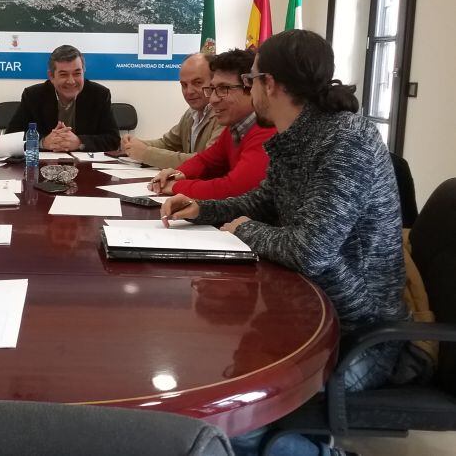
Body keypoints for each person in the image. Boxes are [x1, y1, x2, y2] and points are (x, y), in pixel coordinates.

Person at [161, 30, 407, 456]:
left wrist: (242, 229)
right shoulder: (295, 135)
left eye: (251, 80)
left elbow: (312, 250)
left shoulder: (345, 140)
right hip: (306, 307)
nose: (248, 88)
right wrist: (205, 210)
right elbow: (264, 200)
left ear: (269, 84)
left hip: (360, 331)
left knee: (242, 432)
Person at [149, 48, 276, 200]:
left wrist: (176, 186)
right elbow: (206, 161)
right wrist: (178, 174)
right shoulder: (235, 127)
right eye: (213, 89)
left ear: (251, 87)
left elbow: (235, 189)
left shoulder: (268, 130)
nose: (213, 99)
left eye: (223, 89)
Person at [6, 44, 120, 152]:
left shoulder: (99, 95)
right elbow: (11, 137)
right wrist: (42, 142)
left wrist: (79, 142)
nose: (71, 81)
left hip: (85, 167)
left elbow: (113, 140)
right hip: (44, 166)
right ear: (51, 76)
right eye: (64, 74)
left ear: (83, 72)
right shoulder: (33, 95)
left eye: (77, 73)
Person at [120, 53, 223, 168]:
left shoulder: (224, 115)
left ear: (215, 82)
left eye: (197, 83)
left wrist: (145, 153)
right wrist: (133, 145)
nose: (189, 91)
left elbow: (205, 162)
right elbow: (167, 144)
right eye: (184, 85)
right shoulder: (191, 113)